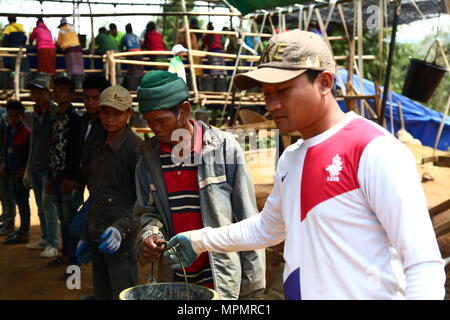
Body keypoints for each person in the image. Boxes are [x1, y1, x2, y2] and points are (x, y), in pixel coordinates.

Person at [164, 29, 446, 300]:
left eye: (283, 90)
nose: (272, 104)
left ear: (324, 82)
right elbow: (268, 228)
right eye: (267, 93)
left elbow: (422, 262)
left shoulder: (374, 150)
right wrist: (200, 240)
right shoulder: (291, 158)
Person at [133, 70, 265, 299]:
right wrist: (149, 234)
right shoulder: (148, 158)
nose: (155, 128)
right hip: (175, 277)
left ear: (184, 110)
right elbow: (146, 212)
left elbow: (248, 218)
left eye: (161, 120)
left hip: (220, 277)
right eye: (149, 121)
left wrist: (252, 287)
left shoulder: (225, 148)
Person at [76, 85, 142, 300]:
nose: (110, 119)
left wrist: (121, 228)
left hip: (122, 238)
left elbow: (143, 199)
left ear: (129, 114)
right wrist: (86, 233)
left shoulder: (135, 148)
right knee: (102, 291)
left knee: (123, 292)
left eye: (117, 113)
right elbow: (94, 193)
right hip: (98, 231)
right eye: (105, 112)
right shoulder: (96, 144)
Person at [43, 76, 82, 268]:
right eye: (56, 89)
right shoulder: (55, 117)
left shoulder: (75, 119)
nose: (58, 93)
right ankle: (66, 255)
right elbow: (52, 149)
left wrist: (71, 178)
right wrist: (50, 177)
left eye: (63, 90)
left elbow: (76, 152)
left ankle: (73, 259)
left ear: (72, 94)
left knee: (70, 220)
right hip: (56, 176)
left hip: (68, 179)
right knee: (62, 218)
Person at [24, 77, 59, 256]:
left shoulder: (55, 111)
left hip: (48, 168)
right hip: (36, 165)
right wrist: (28, 166)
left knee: (49, 206)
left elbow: (56, 143)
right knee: (40, 205)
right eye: (34, 92)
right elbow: (33, 141)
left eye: (40, 92)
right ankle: (45, 238)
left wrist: (54, 171)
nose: (36, 95)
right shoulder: (35, 112)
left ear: (48, 93)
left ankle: (53, 243)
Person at [1, 101, 31, 245]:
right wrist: (4, 164)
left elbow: (29, 153)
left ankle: (24, 232)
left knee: (23, 203)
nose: (13, 119)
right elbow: (7, 149)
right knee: (17, 201)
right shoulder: (8, 130)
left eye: (16, 116)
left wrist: (25, 169)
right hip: (10, 172)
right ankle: (18, 231)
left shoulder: (26, 132)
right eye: (10, 115)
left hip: (21, 174)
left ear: (23, 116)